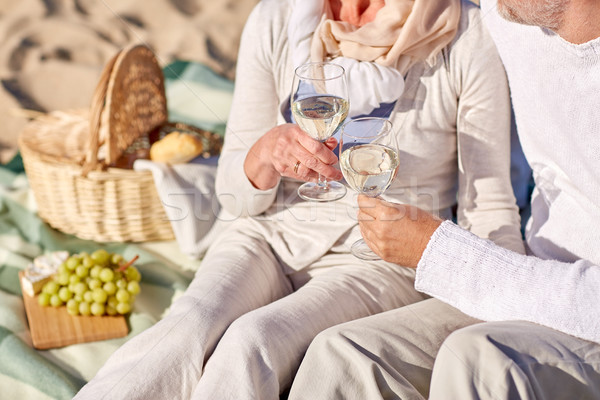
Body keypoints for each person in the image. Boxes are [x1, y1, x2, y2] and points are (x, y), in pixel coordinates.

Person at [74, 0, 524, 398]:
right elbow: (234, 197)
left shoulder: (466, 36)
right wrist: (264, 156)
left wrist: (514, 296)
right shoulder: (276, 19)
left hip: (379, 258)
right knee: (187, 327)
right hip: (268, 232)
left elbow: (489, 206)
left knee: (254, 341)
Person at [288, 0, 600, 399]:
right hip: (534, 279)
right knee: (342, 355)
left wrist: (440, 253)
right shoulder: (516, 17)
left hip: (580, 314)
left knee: (476, 359)